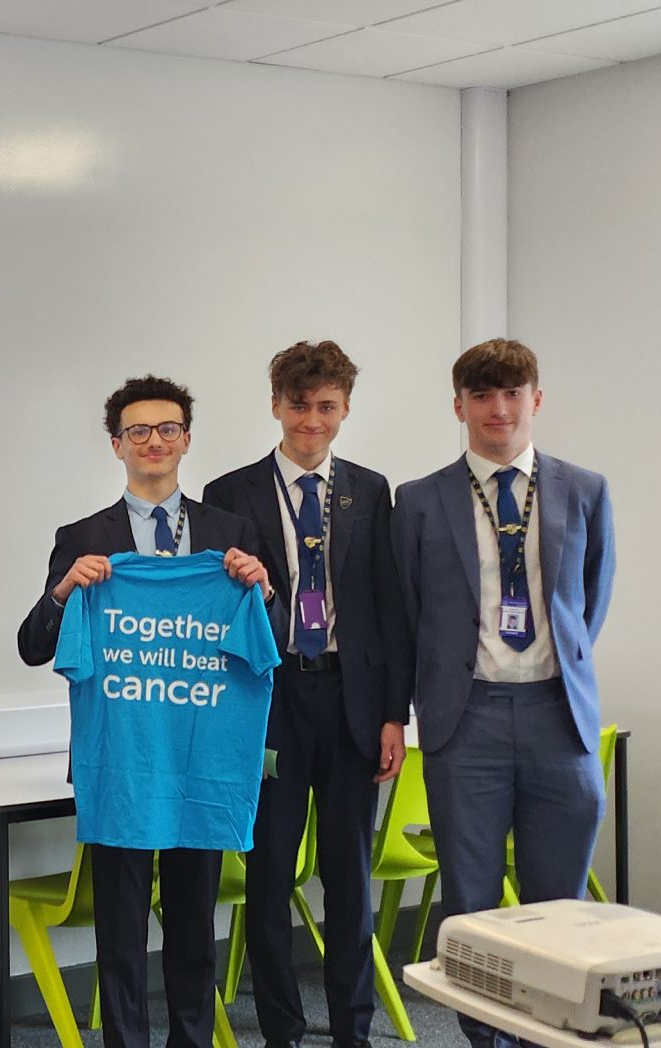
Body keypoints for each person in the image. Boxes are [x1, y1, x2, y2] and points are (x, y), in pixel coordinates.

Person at [17, 375, 270, 1048]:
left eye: (167, 429)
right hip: (120, 761)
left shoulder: (229, 534)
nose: (153, 441)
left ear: (186, 440)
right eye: (138, 431)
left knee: (193, 927)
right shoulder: (82, 537)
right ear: (117, 445)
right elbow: (33, 646)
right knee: (121, 929)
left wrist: (263, 592)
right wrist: (64, 592)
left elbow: (266, 644)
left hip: (197, 759)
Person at [391, 338, 614, 1048]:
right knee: (473, 909)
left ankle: (548, 1036)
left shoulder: (584, 490)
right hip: (467, 723)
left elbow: (589, 602)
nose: (498, 408)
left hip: (558, 718)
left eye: (512, 393)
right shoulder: (418, 501)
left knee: (560, 910)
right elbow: (409, 612)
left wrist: (556, 667)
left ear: (535, 399)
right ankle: (484, 1040)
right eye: (482, 395)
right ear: (458, 406)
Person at [203, 341, 411, 1048]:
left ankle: (353, 1029)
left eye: (326, 406)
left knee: (348, 877)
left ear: (346, 408)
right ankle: (282, 1032)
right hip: (272, 702)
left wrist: (394, 715)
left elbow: (389, 610)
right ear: (275, 406)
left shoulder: (370, 490)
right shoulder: (230, 494)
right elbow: (218, 612)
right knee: (269, 877)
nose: (311, 421)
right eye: (298, 405)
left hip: (352, 701)